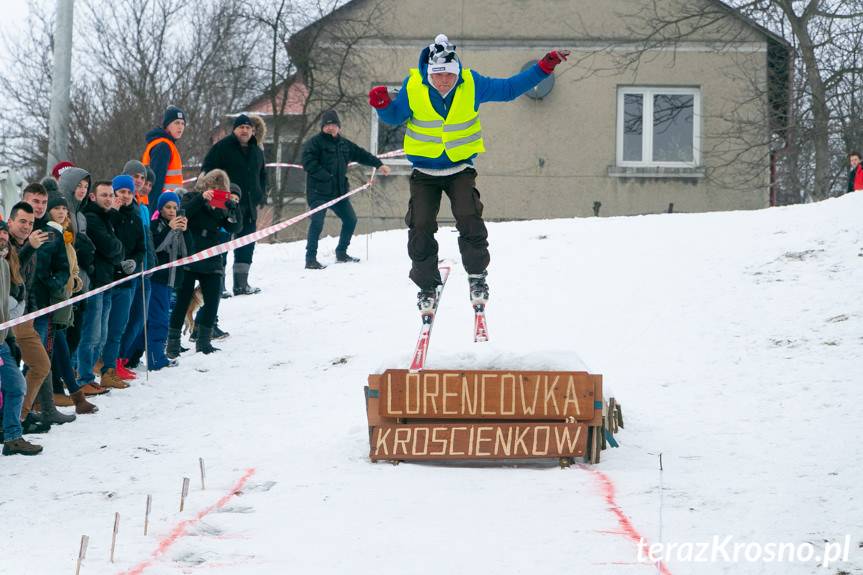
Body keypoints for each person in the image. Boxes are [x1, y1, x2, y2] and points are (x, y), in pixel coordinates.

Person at [369, 34, 569, 309]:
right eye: (438, 75)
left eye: (449, 75)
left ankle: (477, 276)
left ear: (457, 71)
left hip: (460, 168)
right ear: (429, 73)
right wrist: (382, 106)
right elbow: (394, 116)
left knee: (469, 217)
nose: (443, 81)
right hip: (424, 172)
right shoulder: (414, 85)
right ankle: (427, 285)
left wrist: (543, 68)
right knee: (420, 225)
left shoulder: (472, 83)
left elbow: (509, 89)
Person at [301, 109, 390, 269]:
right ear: (322, 127)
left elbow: (362, 155)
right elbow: (308, 163)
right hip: (318, 192)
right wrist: (327, 176)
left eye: (333, 125)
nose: (330, 128)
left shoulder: (344, 145)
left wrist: (379, 164)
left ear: (339, 127)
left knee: (350, 220)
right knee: (317, 223)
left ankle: (341, 253)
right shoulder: (314, 143)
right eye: (327, 125)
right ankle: (310, 259)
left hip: (339, 192)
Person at [166, 169, 242, 356]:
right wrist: (202, 199)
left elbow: (234, 226)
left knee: (213, 299)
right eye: (213, 188)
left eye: (220, 189)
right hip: (190, 252)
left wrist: (233, 208)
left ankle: (204, 341)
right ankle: (173, 344)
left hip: (212, 255)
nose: (216, 191)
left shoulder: (221, 204)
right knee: (183, 301)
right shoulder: (191, 197)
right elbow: (184, 215)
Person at [42, 196, 98, 414]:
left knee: (59, 348)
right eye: (56, 207)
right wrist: (61, 283)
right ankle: (73, 395)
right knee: (53, 351)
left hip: (65, 299)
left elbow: (70, 265)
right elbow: (49, 269)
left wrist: (74, 279)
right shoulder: (51, 233)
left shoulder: (64, 234)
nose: (62, 211)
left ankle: (67, 395)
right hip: (51, 302)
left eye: (64, 208)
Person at [201, 113, 268, 295]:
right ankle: (218, 285)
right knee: (221, 244)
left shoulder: (257, 151)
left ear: (252, 130)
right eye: (241, 127)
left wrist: (262, 195)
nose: (245, 130)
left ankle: (241, 284)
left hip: (249, 206)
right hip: (223, 204)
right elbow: (207, 171)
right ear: (234, 130)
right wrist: (215, 197)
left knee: (247, 244)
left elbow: (262, 175)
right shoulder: (222, 148)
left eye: (248, 127)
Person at [0, 218, 43, 455]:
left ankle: (12, 437)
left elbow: (4, 312)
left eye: (4, 234)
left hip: (2, 340)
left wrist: (10, 340)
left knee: (16, 386)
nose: (3, 238)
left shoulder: (5, 265)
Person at [98, 175, 144, 389]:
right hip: (108, 280)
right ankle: (95, 367)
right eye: (120, 192)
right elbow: (105, 242)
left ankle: (110, 369)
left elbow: (141, 247)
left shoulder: (135, 216)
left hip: (126, 281)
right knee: (101, 330)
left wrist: (134, 262)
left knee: (118, 328)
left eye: (128, 192)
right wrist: (113, 213)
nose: (124, 196)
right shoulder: (106, 215)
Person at [77, 181, 123, 391]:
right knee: (91, 334)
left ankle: (87, 376)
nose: (108, 198)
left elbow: (118, 250)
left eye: (110, 195)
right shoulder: (93, 217)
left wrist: (116, 250)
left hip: (107, 282)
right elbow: (110, 247)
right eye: (103, 195)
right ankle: (83, 377)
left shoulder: (107, 218)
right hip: (95, 284)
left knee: (102, 335)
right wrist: (116, 250)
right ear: (94, 197)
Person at [148, 191, 188, 369]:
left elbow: (189, 253)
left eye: (175, 207)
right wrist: (169, 229)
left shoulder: (181, 228)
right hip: (157, 280)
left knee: (164, 319)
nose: (172, 211)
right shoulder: (155, 225)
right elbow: (156, 247)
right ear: (161, 209)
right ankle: (156, 359)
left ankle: (153, 355)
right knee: (158, 320)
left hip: (173, 280)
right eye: (168, 207)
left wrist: (184, 233)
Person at [142, 105, 186, 204]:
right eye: (176, 123)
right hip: (161, 205)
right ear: (167, 125)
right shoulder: (163, 147)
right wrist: (154, 214)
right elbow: (155, 182)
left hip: (167, 204)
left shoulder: (166, 144)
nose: (180, 127)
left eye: (183, 123)